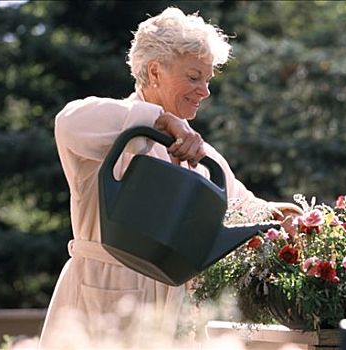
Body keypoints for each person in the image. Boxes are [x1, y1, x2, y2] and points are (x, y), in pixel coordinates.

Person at [39, 7, 301, 348]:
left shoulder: (202, 155)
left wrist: (276, 214)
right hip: (102, 302)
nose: (204, 91)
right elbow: (67, 122)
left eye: (207, 79)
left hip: (174, 315)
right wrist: (160, 121)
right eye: (194, 77)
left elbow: (237, 207)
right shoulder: (112, 128)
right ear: (155, 71)